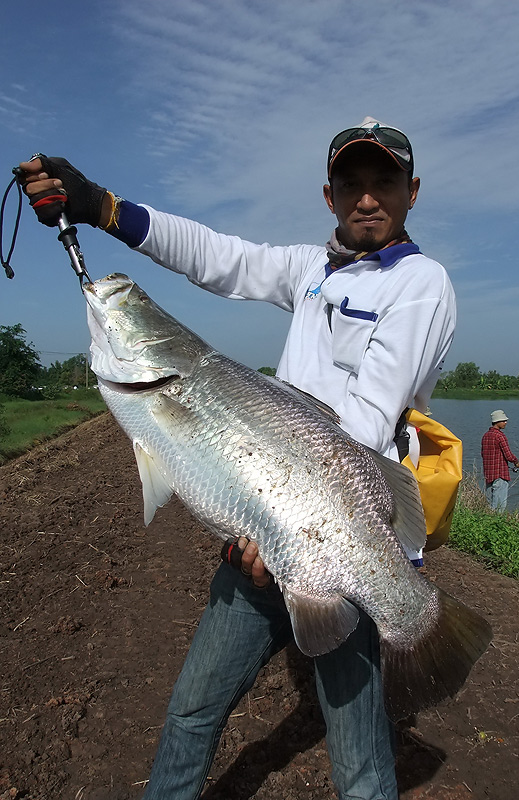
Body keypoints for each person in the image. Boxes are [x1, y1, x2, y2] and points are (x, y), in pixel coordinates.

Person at [20, 116, 456, 800]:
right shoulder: (312, 269)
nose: (366, 198)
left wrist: (292, 533)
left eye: (383, 183)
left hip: (335, 540)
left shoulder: (421, 283)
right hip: (254, 533)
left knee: (360, 754)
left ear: (412, 191)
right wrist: (103, 209)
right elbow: (219, 257)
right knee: (193, 710)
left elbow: (369, 424)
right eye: (351, 184)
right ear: (329, 196)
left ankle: (417, 623)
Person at [481, 409, 519, 511]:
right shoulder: (500, 436)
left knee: (490, 506)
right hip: (500, 475)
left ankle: (488, 524)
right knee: (499, 508)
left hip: (489, 475)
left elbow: (483, 454)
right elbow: (509, 456)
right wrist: (516, 462)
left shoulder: (485, 436)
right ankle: (496, 526)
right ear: (497, 422)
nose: (505, 423)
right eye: (503, 421)